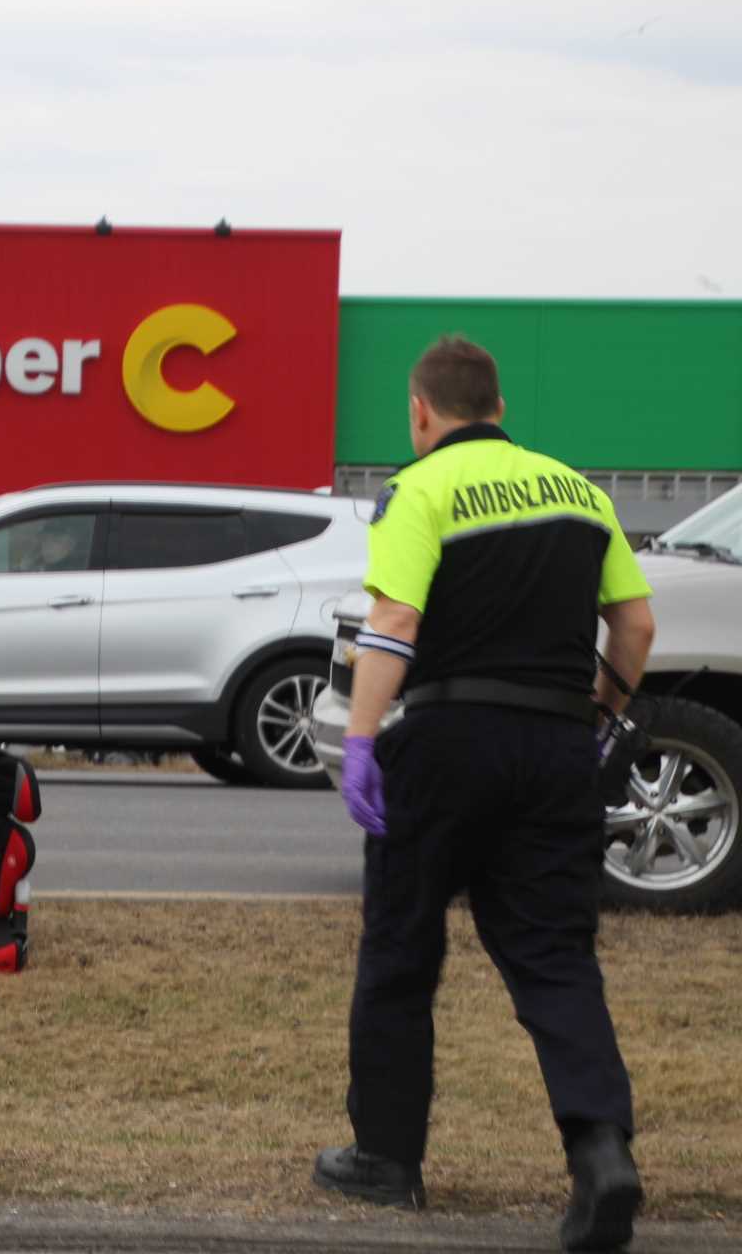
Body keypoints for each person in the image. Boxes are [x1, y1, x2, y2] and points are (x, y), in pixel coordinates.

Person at [316, 335, 655, 1253]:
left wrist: (357, 741)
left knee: (401, 944)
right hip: (554, 747)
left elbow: (394, 622)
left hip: (446, 740)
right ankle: (600, 1156)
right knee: (554, 957)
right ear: (500, 407)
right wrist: (598, 715)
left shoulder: (418, 490)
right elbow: (635, 623)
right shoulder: (581, 493)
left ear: (423, 415)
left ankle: (388, 1159)